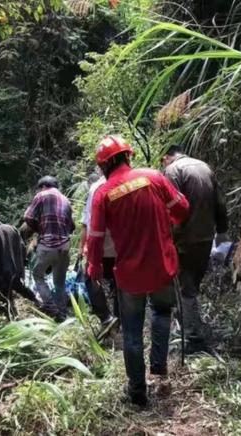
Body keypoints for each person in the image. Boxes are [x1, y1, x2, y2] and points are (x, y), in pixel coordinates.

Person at [86, 135, 189, 406]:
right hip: (163, 265)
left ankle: (137, 391)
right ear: (128, 156)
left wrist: (94, 268)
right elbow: (182, 207)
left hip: (130, 274)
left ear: (103, 166)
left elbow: (95, 238)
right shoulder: (153, 177)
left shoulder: (103, 193)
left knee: (132, 332)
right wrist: (169, 223)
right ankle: (159, 367)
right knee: (162, 312)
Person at [162, 146, 229, 354]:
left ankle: (192, 337)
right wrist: (222, 230)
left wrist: (166, 235)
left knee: (186, 288)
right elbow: (220, 202)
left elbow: (171, 206)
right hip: (206, 236)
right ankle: (188, 323)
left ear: (166, 158)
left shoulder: (173, 171)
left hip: (184, 237)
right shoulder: (205, 167)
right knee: (191, 285)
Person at [21, 176, 75, 321]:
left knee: (38, 275)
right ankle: (62, 314)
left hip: (47, 246)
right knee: (60, 283)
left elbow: (28, 217)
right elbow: (72, 227)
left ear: (43, 186)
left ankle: (51, 308)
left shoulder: (41, 195)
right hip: (64, 247)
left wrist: (39, 229)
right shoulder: (66, 200)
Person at [79, 168, 118, 334]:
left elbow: (89, 223)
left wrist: (84, 249)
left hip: (102, 248)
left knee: (90, 279)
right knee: (118, 284)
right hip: (123, 249)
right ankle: (120, 320)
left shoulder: (97, 187)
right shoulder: (133, 182)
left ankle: (106, 318)